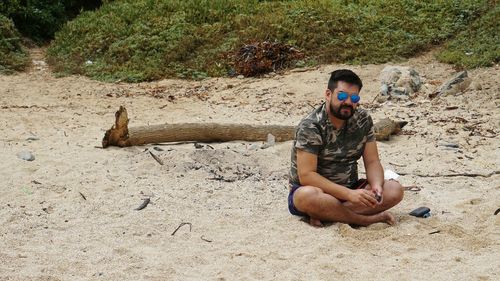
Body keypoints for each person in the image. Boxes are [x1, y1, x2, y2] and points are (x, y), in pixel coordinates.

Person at [288, 69, 404, 227]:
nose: (348, 102)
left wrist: (376, 186)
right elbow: (307, 175)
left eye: (354, 97)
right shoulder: (311, 125)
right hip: (318, 192)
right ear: (328, 94)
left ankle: (327, 214)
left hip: (351, 189)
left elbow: (372, 161)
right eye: (342, 96)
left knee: (393, 189)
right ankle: (364, 219)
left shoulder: (362, 119)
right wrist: (349, 194)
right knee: (307, 196)